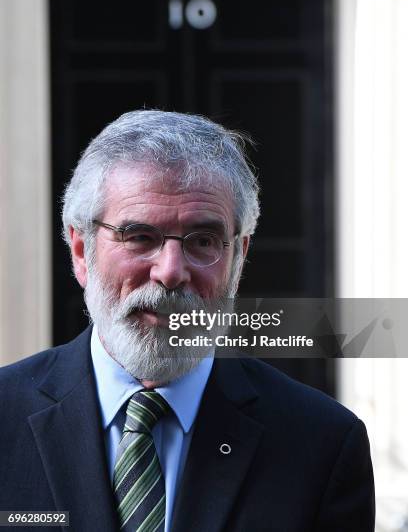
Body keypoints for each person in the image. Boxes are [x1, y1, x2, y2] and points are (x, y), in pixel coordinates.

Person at [0, 110, 374, 531]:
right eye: (139, 236)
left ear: (239, 257)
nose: (171, 271)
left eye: (203, 241)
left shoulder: (323, 445)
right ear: (81, 250)